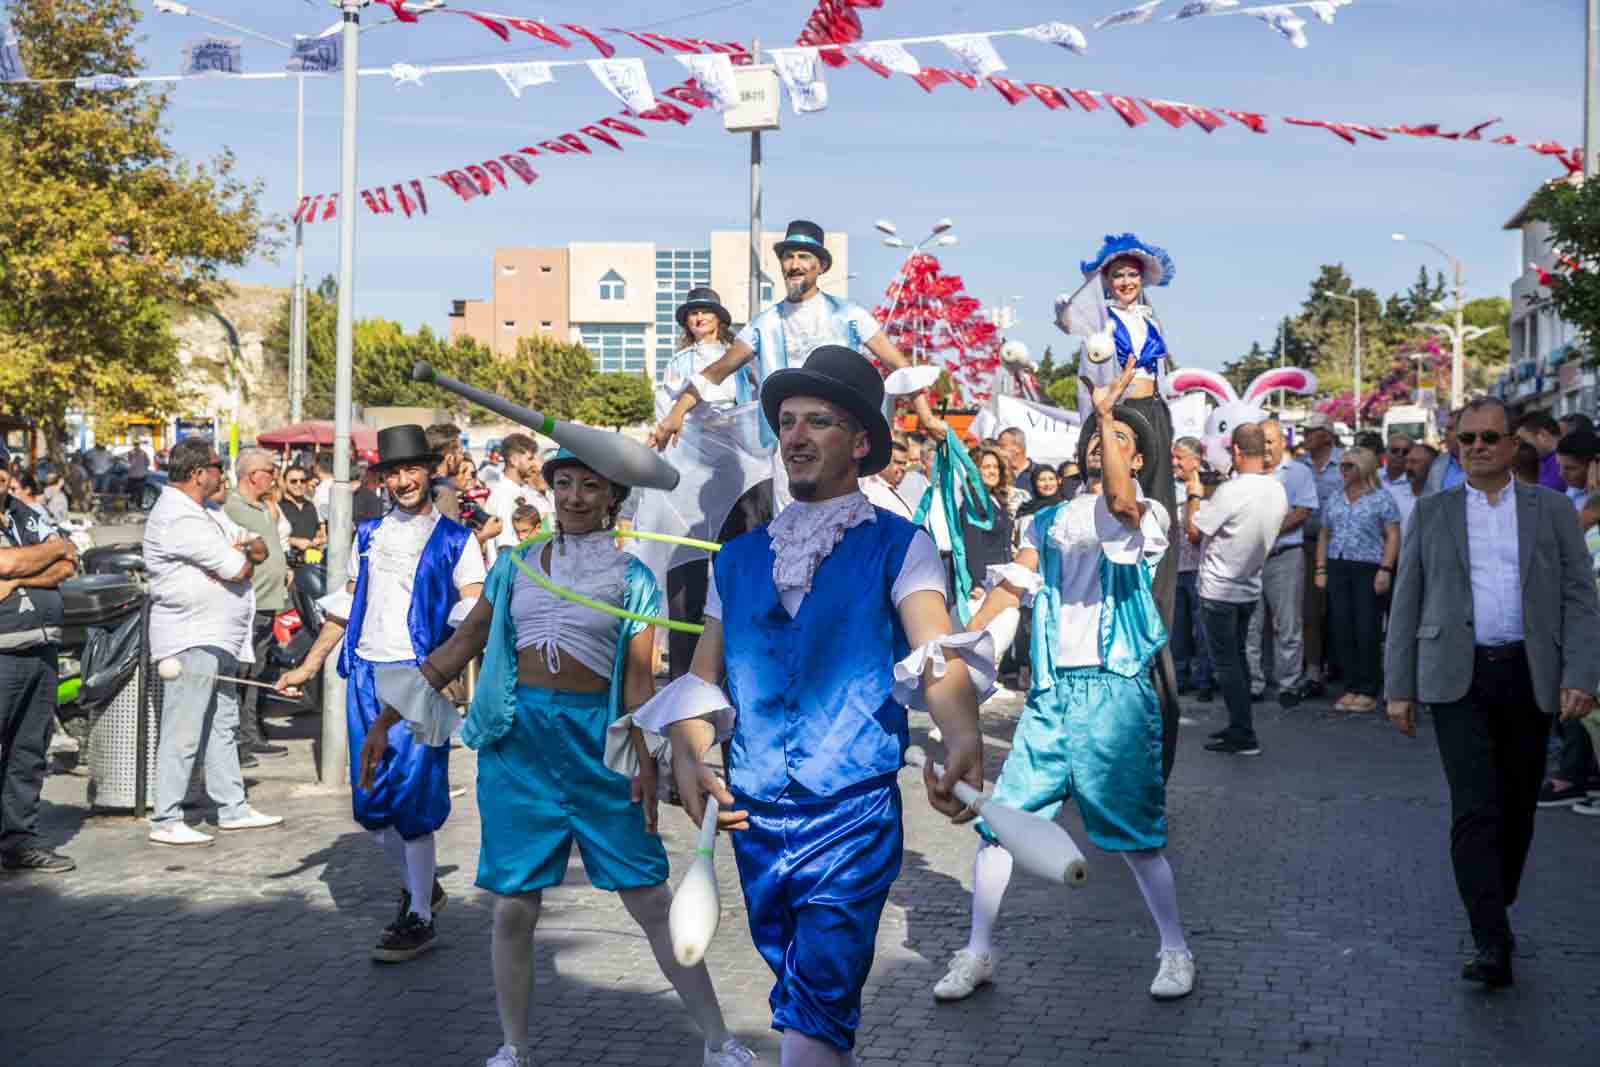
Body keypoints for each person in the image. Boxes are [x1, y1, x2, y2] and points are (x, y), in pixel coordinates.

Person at [640, 344, 987, 1067]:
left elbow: (935, 650)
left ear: (860, 442)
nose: (793, 436)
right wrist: (690, 754)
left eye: (817, 421)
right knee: (807, 1003)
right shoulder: (733, 560)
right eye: (786, 421)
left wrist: (960, 732)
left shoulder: (901, 546)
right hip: (755, 821)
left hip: (851, 818)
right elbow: (704, 682)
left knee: (815, 1006)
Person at [400, 448, 757, 1067]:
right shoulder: (513, 566)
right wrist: (389, 714)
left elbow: (639, 686)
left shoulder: (635, 581)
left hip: (598, 749)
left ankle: (717, 1039)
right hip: (519, 749)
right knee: (514, 908)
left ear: (612, 499)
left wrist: (647, 764)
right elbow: (464, 641)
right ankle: (513, 1047)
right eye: (563, 484)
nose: (573, 497)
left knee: (650, 900)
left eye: (589, 486)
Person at [937, 357, 1194, 1005]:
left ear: (1136, 458)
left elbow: (1117, 503)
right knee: (1000, 826)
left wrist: (1110, 415)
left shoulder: (1149, 515)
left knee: (1137, 840)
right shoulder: (1046, 521)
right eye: (1095, 436)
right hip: (1052, 697)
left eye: (1118, 441)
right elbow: (1015, 583)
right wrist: (957, 644)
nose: (1100, 443)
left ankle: (1175, 948)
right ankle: (978, 950)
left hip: (1116, 694)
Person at [1385, 396, 1600, 988]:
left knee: (1517, 808)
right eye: (1467, 439)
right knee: (1474, 807)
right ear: (1456, 445)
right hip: (1457, 677)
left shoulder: (1552, 510)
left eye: (1489, 438)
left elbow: (1582, 598)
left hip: (1530, 674)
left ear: (1511, 446)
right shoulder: (1432, 512)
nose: (1477, 447)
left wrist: (1581, 675)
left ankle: (1495, 897)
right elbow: (1407, 600)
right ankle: (1489, 935)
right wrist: (1397, 689)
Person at [275, 425, 485, 962]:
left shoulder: (458, 542)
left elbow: (474, 606)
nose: (403, 479)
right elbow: (346, 605)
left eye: (412, 469)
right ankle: (424, 889)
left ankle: (417, 915)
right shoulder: (368, 535)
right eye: (393, 472)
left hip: (419, 678)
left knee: (414, 800)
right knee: (370, 807)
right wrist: (308, 664)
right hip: (365, 677)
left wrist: (448, 665)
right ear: (384, 478)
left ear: (430, 471)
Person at [651, 219, 948, 511]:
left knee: (845, 533)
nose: (794, 264)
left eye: (804, 256)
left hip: (842, 447)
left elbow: (900, 366)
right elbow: (713, 374)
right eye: (788, 256)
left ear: (821, 266)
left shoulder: (849, 315)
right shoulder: (763, 325)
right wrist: (675, 416)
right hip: (789, 455)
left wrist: (926, 416)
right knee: (795, 538)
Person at [144, 437, 283, 847]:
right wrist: (238, 553)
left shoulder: (207, 512)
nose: (222, 472)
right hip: (192, 635)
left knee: (222, 723)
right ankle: (166, 816)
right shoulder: (179, 517)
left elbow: (253, 544)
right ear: (197, 473)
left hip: (220, 636)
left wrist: (240, 550)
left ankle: (232, 807)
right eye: (216, 465)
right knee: (183, 728)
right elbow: (240, 565)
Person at [633, 287, 773, 683]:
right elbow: (669, 410)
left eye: (705, 313)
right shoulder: (679, 362)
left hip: (740, 469)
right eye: (692, 314)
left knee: (743, 562)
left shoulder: (740, 357)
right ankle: (684, 677)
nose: (698, 320)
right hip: (692, 472)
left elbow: (754, 402)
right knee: (686, 568)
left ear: (720, 319)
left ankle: (747, 668)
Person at [1059, 234, 1180, 623]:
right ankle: (1122, 595)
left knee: (1159, 504)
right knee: (1124, 496)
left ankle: (1159, 602)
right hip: (1122, 411)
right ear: (1106, 281)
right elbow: (1068, 318)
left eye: (1132, 275)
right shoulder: (1101, 321)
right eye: (1118, 275)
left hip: (1154, 410)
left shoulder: (1149, 317)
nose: (1126, 282)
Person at [1186, 423, 1289, 756]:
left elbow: (1194, 532)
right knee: (1239, 661)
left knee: (1228, 664)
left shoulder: (1231, 490)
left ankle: (1243, 733)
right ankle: (1239, 726)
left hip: (1220, 589)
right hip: (1249, 587)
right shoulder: (1277, 489)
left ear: (1237, 452)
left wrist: (1193, 494)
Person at [0, 448, 78, 874]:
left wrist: (19, 579)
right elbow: (3, 560)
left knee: (28, 753)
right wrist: (39, 556)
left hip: (41, 649)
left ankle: (18, 842)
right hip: (2, 651)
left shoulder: (25, 513)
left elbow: (68, 560)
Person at [1313, 447, 1401, 714]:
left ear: (1364, 468)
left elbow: (1393, 536)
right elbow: (1325, 534)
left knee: (1367, 628)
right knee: (1342, 627)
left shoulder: (1381, 498)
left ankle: (1368, 688)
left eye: (1350, 466)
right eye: (1342, 466)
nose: (1344, 470)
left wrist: (1385, 569)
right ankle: (1350, 686)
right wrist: (1321, 568)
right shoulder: (1336, 498)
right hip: (1339, 565)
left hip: (1368, 566)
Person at [222, 448, 292, 766]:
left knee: (257, 670)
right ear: (253, 475)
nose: (274, 476)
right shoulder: (233, 507)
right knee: (242, 673)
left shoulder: (263, 507)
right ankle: (238, 740)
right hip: (248, 603)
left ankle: (252, 734)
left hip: (267, 603)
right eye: (270, 470)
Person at [1246, 417, 1320, 707]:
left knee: (1288, 625)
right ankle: (1254, 683)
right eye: (1260, 441)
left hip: (1285, 556)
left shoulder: (1298, 472)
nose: (1264, 447)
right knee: (1251, 625)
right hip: (1251, 558)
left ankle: (1288, 683)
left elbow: (1304, 511)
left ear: (1282, 442)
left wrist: (1270, 529)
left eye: (1269, 441)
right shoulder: (1248, 473)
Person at [1295, 412, 1343, 695]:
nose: (1306, 436)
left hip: (1341, 546)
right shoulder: (1299, 467)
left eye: (1312, 431)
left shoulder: (1346, 463)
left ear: (1327, 434)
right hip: (1306, 543)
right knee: (1310, 609)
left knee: (1338, 609)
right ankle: (1313, 669)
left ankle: (1339, 666)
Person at [1170, 438, 1213, 702]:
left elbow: (1196, 532)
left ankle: (1205, 678)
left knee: (1203, 627)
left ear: (1195, 461)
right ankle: (1180, 676)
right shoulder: (1169, 488)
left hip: (1201, 567)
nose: (1174, 462)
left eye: (1180, 458)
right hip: (1175, 567)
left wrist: (1194, 496)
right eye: (1173, 457)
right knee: (1178, 628)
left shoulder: (1210, 487)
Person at [960, 448, 1016, 621]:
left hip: (1002, 577)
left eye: (995, 467)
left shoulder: (996, 500)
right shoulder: (973, 503)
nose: (992, 471)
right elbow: (973, 545)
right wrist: (977, 581)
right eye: (986, 467)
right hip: (986, 582)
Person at [484, 434, 550, 566]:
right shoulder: (504, 494)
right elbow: (507, 546)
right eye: (530, 459)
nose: (534, 464)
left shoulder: (519, 490)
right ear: (514, 460)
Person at [860, 436, 916, 520]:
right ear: (884, 461)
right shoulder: (872, 491)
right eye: (898, 462)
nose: (903, 468)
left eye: (904, 464)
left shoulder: (895, 488)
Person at [1514, 410, 1567, 493]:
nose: (1518, 448)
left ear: (1542, 436)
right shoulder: (1543, 462)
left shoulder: (1563, 461)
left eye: (1522, 441)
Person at [279, 462, 326, 556]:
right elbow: (269, 537)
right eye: (293, 481)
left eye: (302, 481)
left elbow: (318, 532)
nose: (299, 484)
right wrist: (294, 541)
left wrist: (321, 540)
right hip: (287, 563)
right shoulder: (278, 507)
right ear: (284, 483)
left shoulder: (311, 506)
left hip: (311, 561)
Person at [1388, 442, 1434, 533]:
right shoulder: (1391, 496)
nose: (1408, 467)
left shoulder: (1443, 497)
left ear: (1431, 466)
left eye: (1414, 462)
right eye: (1407, 462)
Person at [427, 423, 466, 523]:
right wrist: (483, 535)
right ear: (450, 458)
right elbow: (449, 536)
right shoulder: (445, 491)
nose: (462, 458)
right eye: (461, 453)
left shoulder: (425, 484)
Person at [1423, 406, 1467, 495]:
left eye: (1450, 429)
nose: (1445, 433)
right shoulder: (1439, 463)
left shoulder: (1485, 464)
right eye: (1446, 428)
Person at [1554, 429, 1599, 509]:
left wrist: (1594, 496)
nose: (1561, 474)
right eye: (1559, 465)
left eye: (1570, 468)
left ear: (1594, 466)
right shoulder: (1574, 488)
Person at [997, 427, 1047, 498]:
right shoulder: (998, 473)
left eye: (1002, 446)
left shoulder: (1041, 473)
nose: (998, 451)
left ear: (1018, 448)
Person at [125, 439, 150, 505]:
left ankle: (135, 505)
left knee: (136, 493)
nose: (136, 446)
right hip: (137, 476)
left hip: (136, 477)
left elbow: (128, 463)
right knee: (137, 493)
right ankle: (136, 505)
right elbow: (147, 463)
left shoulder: (132, 453)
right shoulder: (142, 453)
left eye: (136, 444)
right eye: (136, 444)